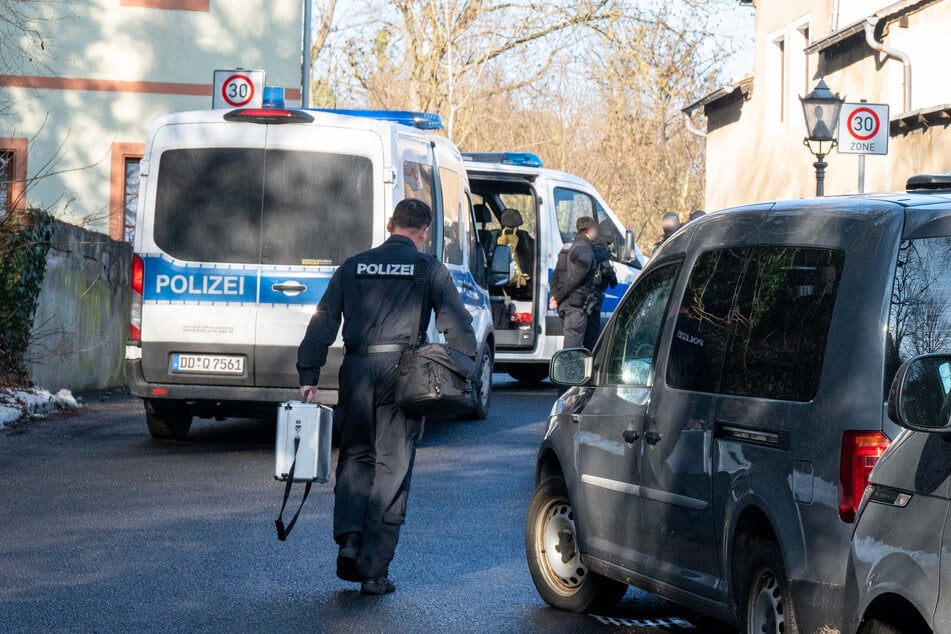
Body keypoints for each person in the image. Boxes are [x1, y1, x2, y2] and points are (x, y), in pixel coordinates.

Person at [297, 198, 476, 595]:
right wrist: (468, 374)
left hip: (356, 372)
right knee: (392, 468)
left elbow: (323, 321)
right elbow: (457, 327)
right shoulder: (428, 268)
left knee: (357, 457)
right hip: (404, 374)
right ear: (424, 231)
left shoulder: (354, 265)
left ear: (391, 223)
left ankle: (349, 540)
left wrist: (308, 372)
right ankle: (374, 571)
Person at [549, 216, 598, 349]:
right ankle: (570, 370)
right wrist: (557, 297)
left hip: (564, 305)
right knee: (572, 351)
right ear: (590, 230)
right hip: (575, 306)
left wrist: (554, 296)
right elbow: (575, 279)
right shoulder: (585, 251)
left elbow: (555, 275)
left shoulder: (566, 247)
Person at [583, 219, 619, 350]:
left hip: (593, 294)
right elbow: (605, 268)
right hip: (593, 295)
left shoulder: (595, 245)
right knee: (592, 334)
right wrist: (613, 281)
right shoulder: (599, 248)